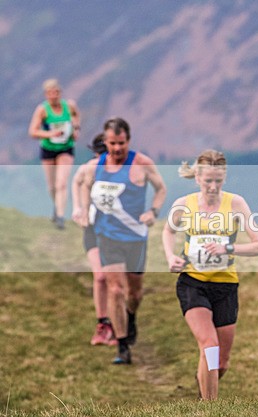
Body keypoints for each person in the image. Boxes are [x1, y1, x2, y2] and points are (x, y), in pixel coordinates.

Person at [162, 150, 258, 400]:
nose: (212, 186)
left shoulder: (236, 204)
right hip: (192, 283)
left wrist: (227, 248)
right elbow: (168, 231)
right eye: (208, 180)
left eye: (218, 181)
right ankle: (211, 410)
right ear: (197, 177)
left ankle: (205, 388)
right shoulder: (184, 204)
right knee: (209, 345)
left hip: (225, 285)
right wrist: (170, 257)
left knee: (221, 361)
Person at [77, 117, 167, 365]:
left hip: (136, 237)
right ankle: (123, 346)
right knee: (115, 289)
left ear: (128, 140)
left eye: (121, 143)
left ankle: (131, 316)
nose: (117, 149)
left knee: (134, 293)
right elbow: (84, 185)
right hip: (108, 236)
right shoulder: (96, 166)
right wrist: (84, 210)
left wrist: (153, 212)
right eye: (112, 143)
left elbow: (161, 188)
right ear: (105, 142)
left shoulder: (141, 163)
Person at [71, 133, 114, 346]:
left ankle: (120, 323)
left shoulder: (119, 170)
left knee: (116, 278)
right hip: (92, 229)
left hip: (116, 231)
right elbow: (76, 182)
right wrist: (78, 208)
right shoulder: (89, 167)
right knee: (100, 276)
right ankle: (103, 324)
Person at [28, 78, 81, 229]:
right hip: (48, 149)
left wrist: (76, 129)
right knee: (52, 186)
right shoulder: (42, 110)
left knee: (62, 183)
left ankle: (60, 216)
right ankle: (56, 206)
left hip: (66, 148)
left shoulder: (69, 106)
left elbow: (76, 116)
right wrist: (50, 134)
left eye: (56, 92)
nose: (54, 96)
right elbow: (32, 131)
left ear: (60, 92)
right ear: (46, 95)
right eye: (50, 93)